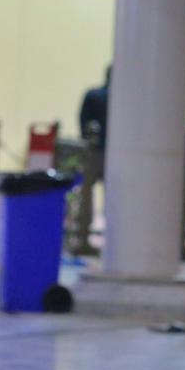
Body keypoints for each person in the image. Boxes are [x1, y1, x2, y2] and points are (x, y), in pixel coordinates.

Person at [72, 65, 111, 256]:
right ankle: (111, 235)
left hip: (94, 151)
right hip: (110, 152)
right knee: (110, 197)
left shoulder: (94, 94)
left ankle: (84, 234)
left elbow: (83, 119)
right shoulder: (119, 97)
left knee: (87, 194)